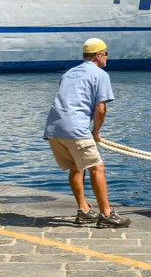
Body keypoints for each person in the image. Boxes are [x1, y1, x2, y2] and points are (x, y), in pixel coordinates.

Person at [43, 38, 131, 228]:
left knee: (76, 166)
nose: (107, 58)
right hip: (75, 128)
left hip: (53, 128)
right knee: (97, 167)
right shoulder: (100, 74)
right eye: (106, 54)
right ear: (98, 55)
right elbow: (100, 109)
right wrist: (96, 132)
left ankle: (83, 210)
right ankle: (106, 214)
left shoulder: (69, 73)